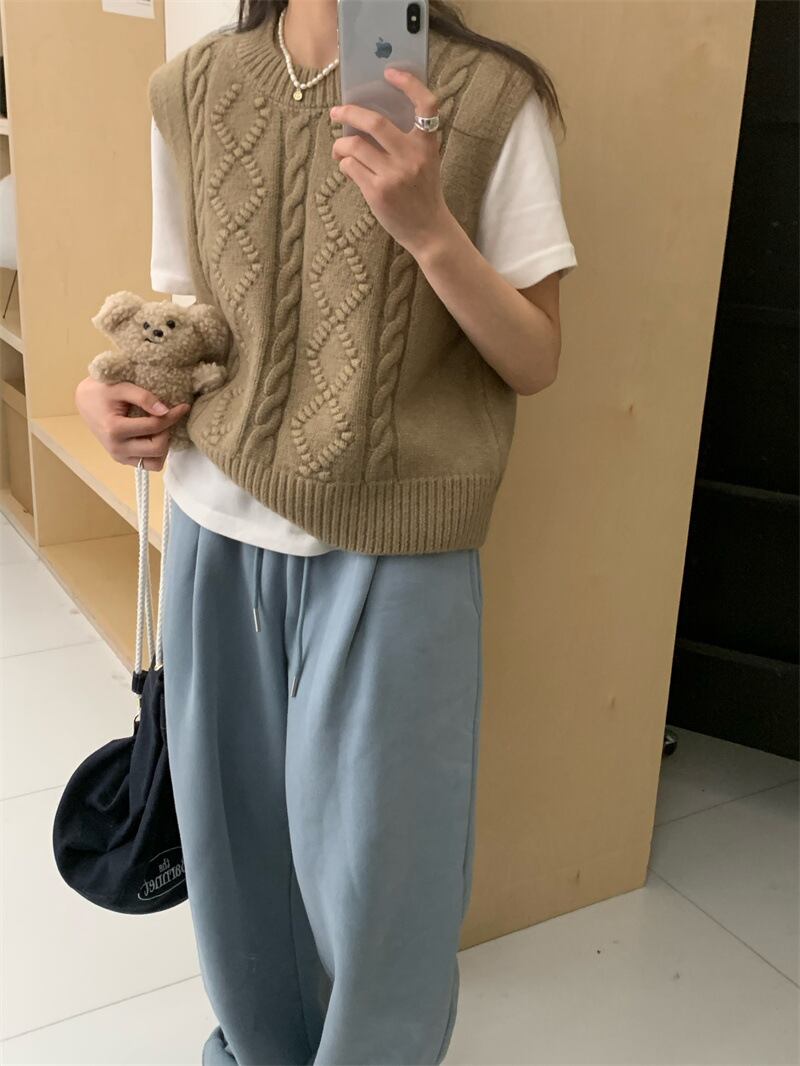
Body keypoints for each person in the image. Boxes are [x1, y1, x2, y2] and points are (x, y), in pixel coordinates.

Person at [75, 2, 577, 1062]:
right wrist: (109, 393)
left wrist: (428, 227)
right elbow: (189, 312)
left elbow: (534, 357)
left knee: (387, 879)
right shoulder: (194, 85)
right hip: (214, 523)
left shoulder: (493, 97)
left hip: (400, 544)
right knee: (234, 856)